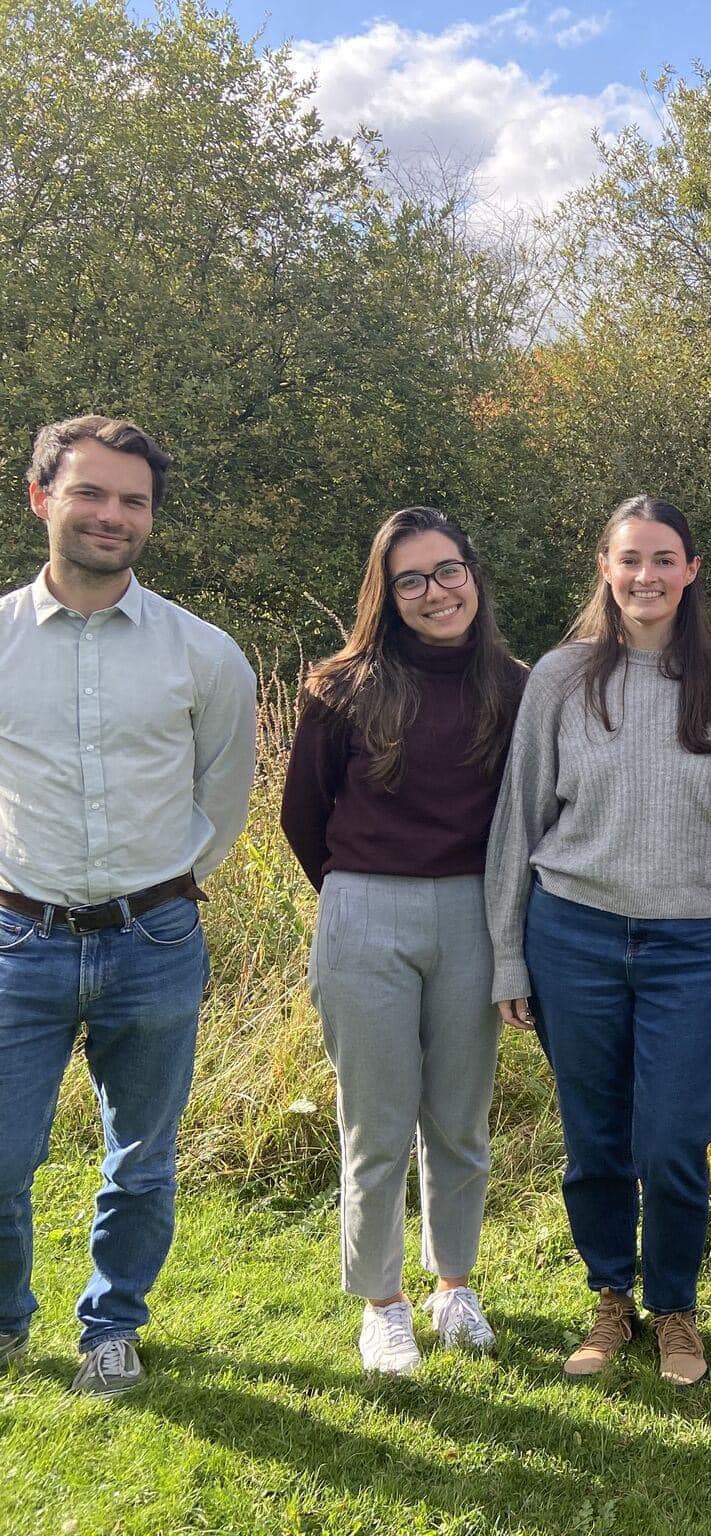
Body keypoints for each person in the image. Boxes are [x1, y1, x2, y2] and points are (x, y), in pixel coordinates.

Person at [485, 496, 711, 1390]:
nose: (646, 577)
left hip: (698, 946)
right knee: (596, 1138)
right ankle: (610, 1297)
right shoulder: (560, 678)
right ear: (605, 567)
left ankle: (676, 1308)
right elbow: (519, 820)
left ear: (691, 570)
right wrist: (509, 951)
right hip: (573, 935)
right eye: (630, 559)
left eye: (664, 559)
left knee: (670, 1140)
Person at [0, 415, 257, 1396]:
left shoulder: (204, 655)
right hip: (16, 936)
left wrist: (172, 892)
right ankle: (4, 1325)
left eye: (133, 500)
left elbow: (222, 799)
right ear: (41, 500)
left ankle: (112, 1327)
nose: (113, 515)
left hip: (154, 939)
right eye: (91, 493)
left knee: (141, 1161)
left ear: (151, 517)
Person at [281, 507, 527, 1374]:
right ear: (387, 595)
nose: (436, 592)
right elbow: (303, 819)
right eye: (412, 579)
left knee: (459, 1120)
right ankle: (381, 1304)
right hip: (364, 915)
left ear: (474, 575)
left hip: (474, 915)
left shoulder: (516, 685)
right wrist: (361, 896)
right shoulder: (338, 687)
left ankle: (454, 1285)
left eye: (448, 571)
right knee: (376, 1126)